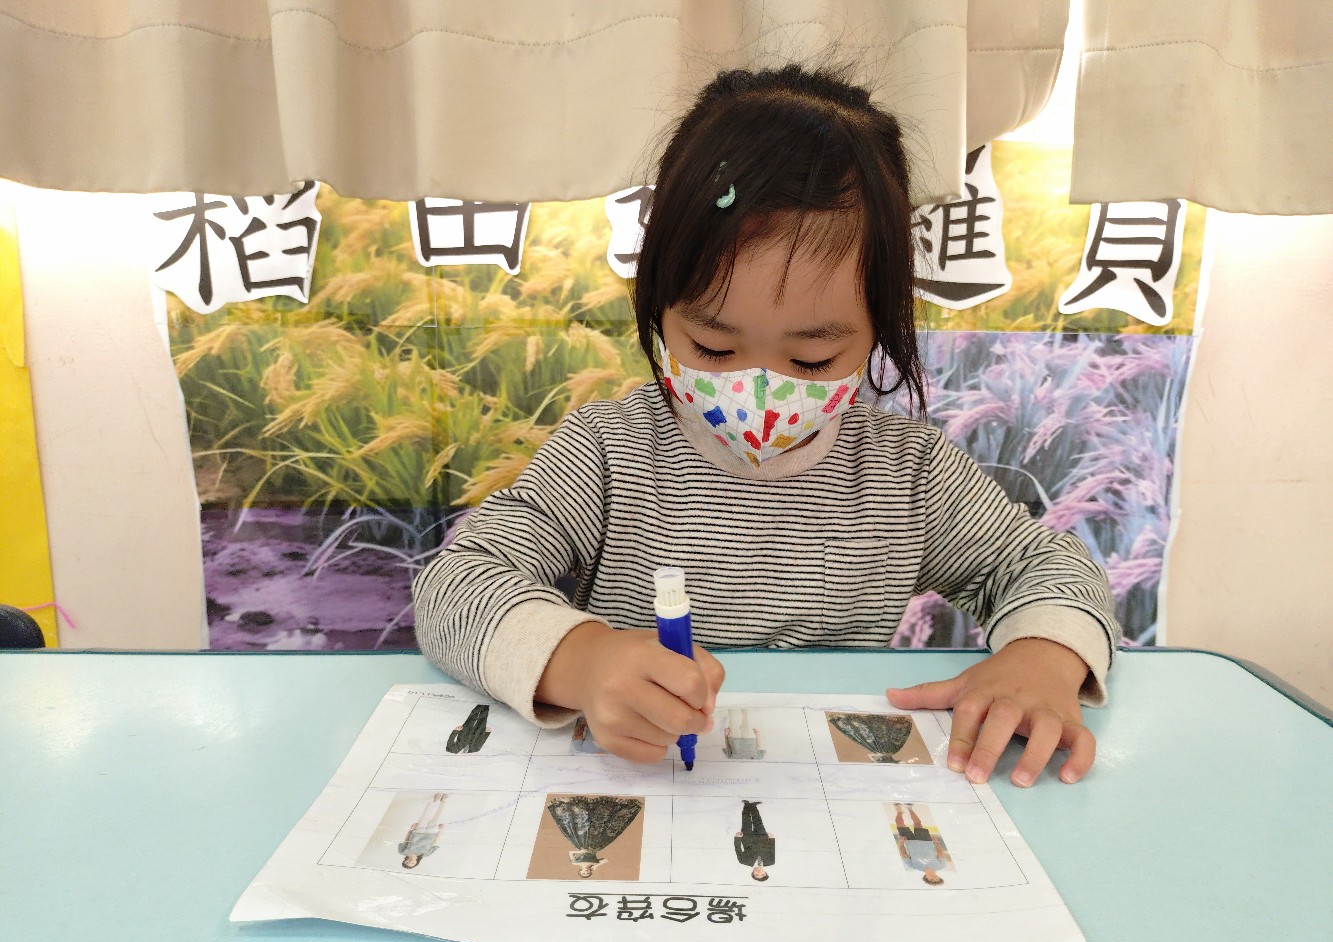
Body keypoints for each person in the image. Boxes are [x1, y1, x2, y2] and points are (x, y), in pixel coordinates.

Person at [413, 63, 1120, 789]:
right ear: (657, 307)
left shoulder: (906, 472)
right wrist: (582, 661)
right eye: (712, 348)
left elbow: (1046, 566)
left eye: (812, 358)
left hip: (831, 795)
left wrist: (1043, 658)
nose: (756, 389)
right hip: (643, 785)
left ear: (880, 327)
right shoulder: (608, 449)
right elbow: (456, 583)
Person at [892, 803, 947, 885]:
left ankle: (899, 812)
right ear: (939, 877)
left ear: (926, 878)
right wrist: (936, 841)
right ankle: (910, 808)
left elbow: (904, 855)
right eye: (937, 879)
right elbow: (940, 853)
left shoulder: (914, 866)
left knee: (899, 824)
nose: (934, 878)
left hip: (909, 841)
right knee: (918, 823)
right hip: (925, 841)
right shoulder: (941, 865)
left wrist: (901, 843)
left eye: (932, 880)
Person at [398, 792, 446, 869]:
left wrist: (411, 829)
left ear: (404, 861)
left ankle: (435, 800)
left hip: (417, 832)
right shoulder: (426, 854)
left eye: (407, 862)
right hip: (431, 834)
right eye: (412, 863)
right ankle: (443, 801)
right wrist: (440, 831)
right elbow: (435, 843)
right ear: (416, 862)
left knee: (426, 816)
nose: (410, 861)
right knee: (437, 817)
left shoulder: (402, 851)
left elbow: (406, 840)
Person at [733, 800, 775, 881]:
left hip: (747, 839)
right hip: (762, 838)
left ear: (752, 872)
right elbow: (771, 850)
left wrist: (737, 838)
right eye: (762, 874)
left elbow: (738, 849)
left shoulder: (744, 862)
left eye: (756, 874)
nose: (759, 872)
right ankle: (754, 807)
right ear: (766, 872)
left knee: (746, 822)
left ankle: (746, 806)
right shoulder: (770, 862)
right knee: (758, 822)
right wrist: (772, 839)